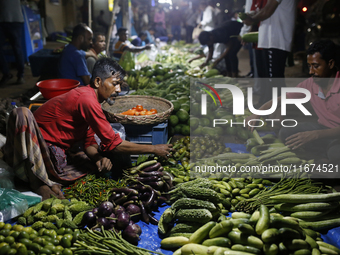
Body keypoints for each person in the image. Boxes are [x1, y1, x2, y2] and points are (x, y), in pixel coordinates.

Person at [3, 57, 173, 200]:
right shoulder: (87, 99)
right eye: (115, 84)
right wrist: (154, 148)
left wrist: (98, 158)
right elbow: (114, 144)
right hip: (34, 146)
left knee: (89, 164)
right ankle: (37, 182)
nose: (119, 89)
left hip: (56, 149)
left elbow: (89, 143)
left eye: (120, 84)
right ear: (98, 81)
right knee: (22, 112)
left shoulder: (93, 101)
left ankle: (48, 178)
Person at [246, 40, 340, 165]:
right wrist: (257, 113)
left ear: (331, 63)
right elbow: (281, 99)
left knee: (336, 154)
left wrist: (315, 135)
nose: (311, 71)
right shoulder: (310, 83)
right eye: (309, 66)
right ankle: (326, 152)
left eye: (316, 66)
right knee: (286, 133)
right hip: (323, 129)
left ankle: (328, 154)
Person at [243, 0, 296, 105]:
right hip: (269, 40)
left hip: (277, 40)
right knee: (268, 80)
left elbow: (267, 11)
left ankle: (277, 113)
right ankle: (267, 106)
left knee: (274, 81)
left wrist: (251, 19)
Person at [0, 0, 25, 85]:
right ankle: (6, 73)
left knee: (17, 49)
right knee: (17, 49)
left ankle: (20, 75)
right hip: (2, 21)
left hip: (15, 21)